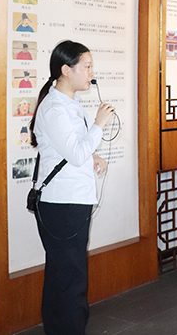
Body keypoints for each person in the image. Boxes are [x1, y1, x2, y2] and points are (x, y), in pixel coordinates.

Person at [29, 40, 114, 335]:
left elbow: (73, 149)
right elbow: (76, 153)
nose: (91, 73)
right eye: (86, 66)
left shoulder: (69, 104)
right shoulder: (54, 108)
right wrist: (99, 125)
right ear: (66, 70)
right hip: (62, 204)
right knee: (71, 276)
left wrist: (94, 155)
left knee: (64, 273)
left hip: (71, 201)